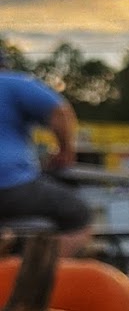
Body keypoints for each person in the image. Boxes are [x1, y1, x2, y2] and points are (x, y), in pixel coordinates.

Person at [0, 52, 91, 256]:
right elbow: (60, 111)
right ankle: (40, 277)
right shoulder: (12, 82)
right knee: (79, 215)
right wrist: (65, 150)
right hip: (11, 186)